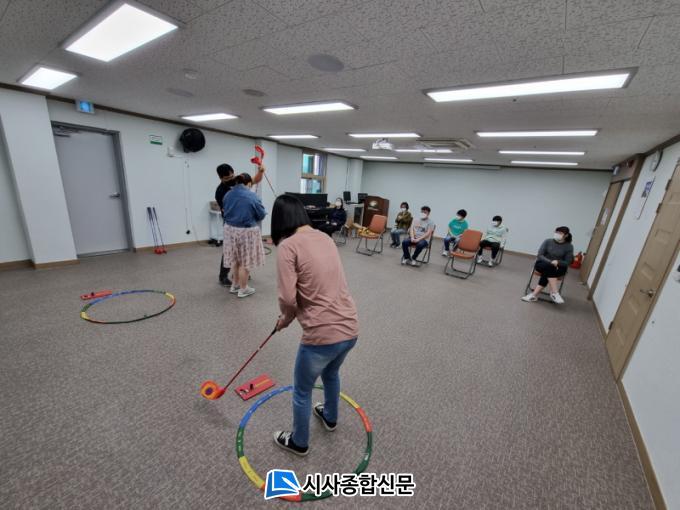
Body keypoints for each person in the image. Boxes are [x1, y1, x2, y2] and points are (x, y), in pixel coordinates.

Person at [270, 195, 359, 456]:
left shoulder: (287, 246)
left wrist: (284, 320)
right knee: (331, 374)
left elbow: (288, 299)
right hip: (350, 328)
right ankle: (330, 417)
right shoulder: (325, 237)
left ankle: (299, 442)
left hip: (322, 336)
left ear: (279, 220)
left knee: (302, 390)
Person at [215, 163, 266, 287]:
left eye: (232, 176)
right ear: (221, 178)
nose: (230, 179)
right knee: (230, 250)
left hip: (244, 223)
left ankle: (239, 274)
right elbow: (227, 210)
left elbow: (253, 180)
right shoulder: (221, 192)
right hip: (231, 223)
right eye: (227, 178)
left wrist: (261, 171)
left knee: (242, 251)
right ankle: (223, 276)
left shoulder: (238, 181)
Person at [522, 226, 574, 304]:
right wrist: (550, 262)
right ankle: (555, 293)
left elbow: (568, 262)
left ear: (566, 235)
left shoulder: (569, 246)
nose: (557, 234)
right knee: (550, 267)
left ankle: (534, 295)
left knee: (548, 271)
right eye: (556, 232)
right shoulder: (548, 241)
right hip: (543, 263)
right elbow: (540, 255)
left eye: (560, 233)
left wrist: (558, 262)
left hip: (559, 267)